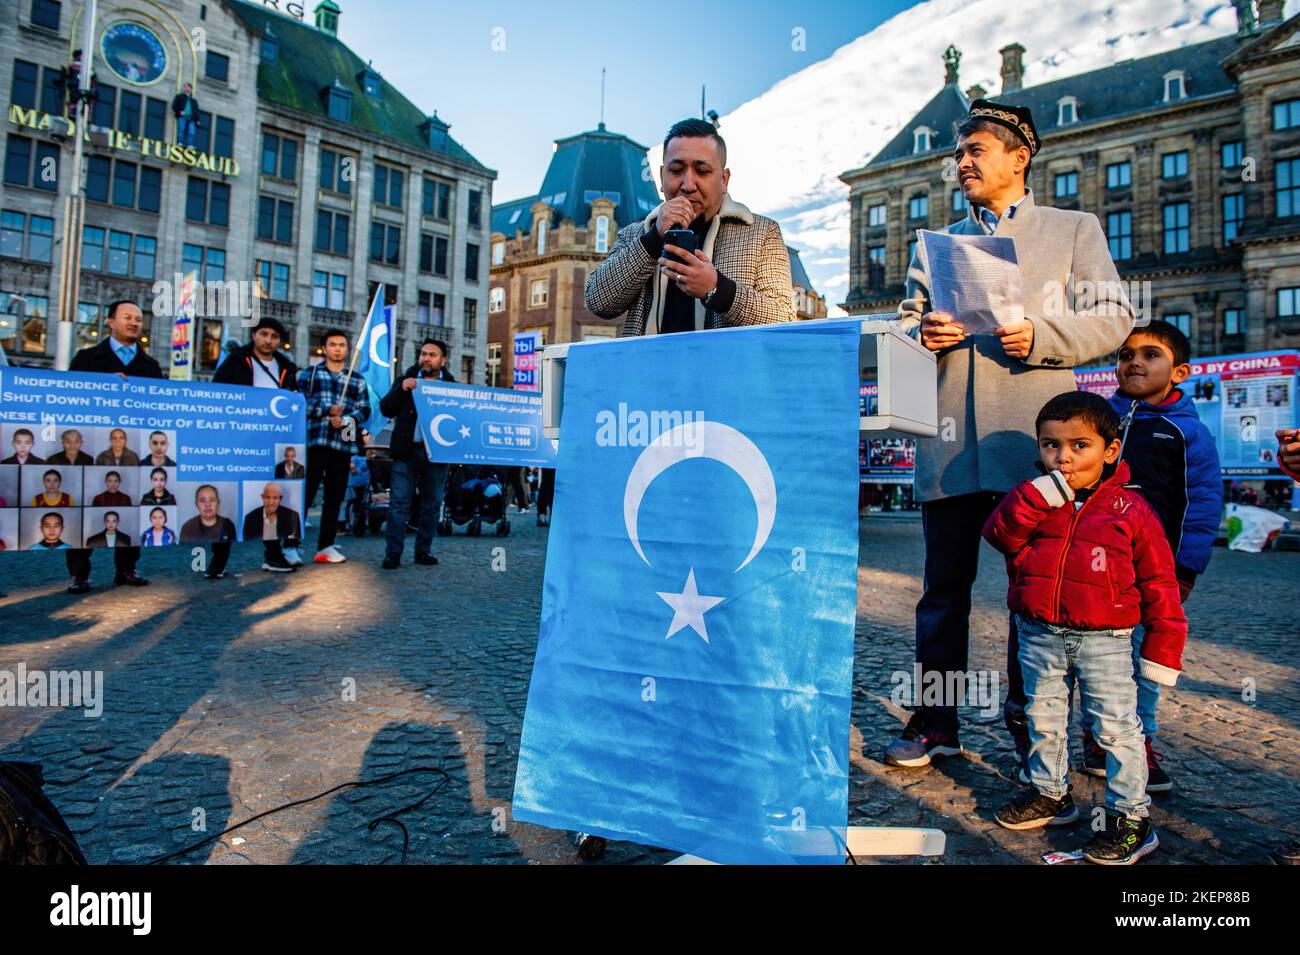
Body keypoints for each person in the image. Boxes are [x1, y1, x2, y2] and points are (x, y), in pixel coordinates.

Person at [884, 100, 1135, 768]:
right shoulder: (931, 242)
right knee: (942, 596)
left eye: (975, 151)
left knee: (1040, 597)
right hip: (948, 449)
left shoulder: (1074, 228)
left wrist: (1043, 337)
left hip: (1034, 447)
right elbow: (903, 324)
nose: (961, 164)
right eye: (958, 154)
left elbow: (1113, 318)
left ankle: (1036, 729)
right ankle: (935, 722)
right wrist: (921, 335)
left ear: (1020, 157)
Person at [982, 392, 1185, 865]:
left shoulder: (1132, 511)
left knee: (1116, 729)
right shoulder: (1034, 497)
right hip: (1039, 633)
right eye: (1052, 445)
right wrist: (1033, 500)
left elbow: (1160, 583)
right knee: (1043, 717)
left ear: (1110, 451)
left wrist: (1163, 647)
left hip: (1105, 639)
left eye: (1080, 445)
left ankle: (1132, 819)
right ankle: (1051, 794)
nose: (1064, 456)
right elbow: (999, 536)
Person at [1073, 321, 1220, 791]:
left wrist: (1187, 568)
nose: (1134, 361)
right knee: (1091, 659)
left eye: (1150, 355)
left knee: (1144, 661)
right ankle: (1097, 741)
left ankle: (1140, 742)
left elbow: (1202, 503)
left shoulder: (1189, 433)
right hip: (1096, 570)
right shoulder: (1096, 423)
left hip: (1155, 574)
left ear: (1179, 372)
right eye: (1125, 354)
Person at [585, 118, 796, 336]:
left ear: (724, 180)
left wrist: (716, 288)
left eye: (702, 171)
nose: (688, 185)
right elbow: (598, 301)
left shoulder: (761, 232)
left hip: (726, 370)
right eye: (676, 170)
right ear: (661, 177)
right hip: (649, 369)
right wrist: (653, 239)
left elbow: (783, 317)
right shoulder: (635, 233)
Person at [66, 300, 160, 593]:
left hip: (132, 453)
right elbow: (70, 398)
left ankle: (127, 568)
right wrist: (103, 384)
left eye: (138, 319)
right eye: (127, 317)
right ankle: (79, 573)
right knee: (86, 511)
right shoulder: (86, 359)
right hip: (94, 451)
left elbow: (158, 410)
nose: (134, 322)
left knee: (131, 509)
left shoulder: (150, 366)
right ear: (110, 321)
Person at [215, 315, 303, 567]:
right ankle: (219, 559)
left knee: (270, 499)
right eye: (264, 334)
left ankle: (273, 555)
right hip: (239, 441)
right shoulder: (236, 362)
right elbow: (218, 395)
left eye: (274, 336)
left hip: (272, 443)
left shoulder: (286, 367)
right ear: (254, 335)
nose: (268, 340)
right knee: (230, 498)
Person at [378, 338, 454, 568]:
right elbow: (385, 408)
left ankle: (423, 551)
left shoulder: (452, 387)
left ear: (443, 360)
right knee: (399, 504)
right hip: (406, 452)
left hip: (436, 455)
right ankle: (393, 553)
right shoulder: (406, 380)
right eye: (423, 354)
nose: (426, 358)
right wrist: (401, 389)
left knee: (431, 505)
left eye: (432, 354)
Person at [298, 329, 370, 564]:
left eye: (341, 345)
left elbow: (363, 410)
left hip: (343, 445)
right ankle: (291, 544)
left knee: (334, 496)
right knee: (305, 494)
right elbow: (299, 403)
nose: (337, 349)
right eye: (332, 344)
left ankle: (326, 546)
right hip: (315, 442)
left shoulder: (357, 379)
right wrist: (325, 411)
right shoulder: (310, 374)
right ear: (324, 348)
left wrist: (346, 420)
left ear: (347, 349)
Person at [242, 482, 302, 573]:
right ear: (262, 497)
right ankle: (273, 557)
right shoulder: (250, 517)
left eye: (275, 498)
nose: (271, 502)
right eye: (267, 497)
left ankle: (286, 550)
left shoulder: (292, 515)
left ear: (280, 498)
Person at [180, 484, 237, 579]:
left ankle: (217, 569)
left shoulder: (227, 524)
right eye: (202, 500)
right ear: (196, 504)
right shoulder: (188, 527)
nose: (207, 504)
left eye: (212, 500)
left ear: (218, 502)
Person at [343, 431, 371, 536]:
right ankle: (355, 521)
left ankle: (358, 520)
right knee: (359, 499)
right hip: (358, 474)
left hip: (364, 473)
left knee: (360, 499)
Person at [171, 82, 199, 148]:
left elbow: (196, 111)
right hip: (183, 116)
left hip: (191, 118)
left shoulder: (193, 101)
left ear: (191, 89)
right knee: (181, 129)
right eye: (185, 87)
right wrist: (179, 112)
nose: (187, 88)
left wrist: (197, 120)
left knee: (191, 132)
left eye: (188, 87)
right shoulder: (179, 97)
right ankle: (180, 142)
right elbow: (174, 106)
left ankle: (190, 144)